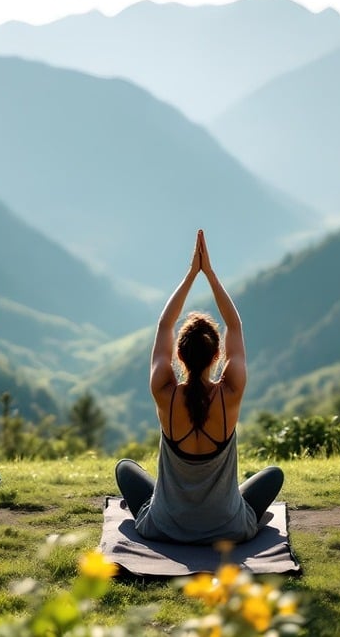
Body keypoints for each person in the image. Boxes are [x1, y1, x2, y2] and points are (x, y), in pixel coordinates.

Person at [115, 230, 284, 544]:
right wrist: (210, 274)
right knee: (274, 474)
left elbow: (164, 325)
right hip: (228, 528)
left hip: (165, 526)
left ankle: (168, 514)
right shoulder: (230, 394)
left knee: (125, 468)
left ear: (179, 355)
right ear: (217, 355)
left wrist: (191, 274)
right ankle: (231, 511)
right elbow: (235, 326)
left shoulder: (164, 393)